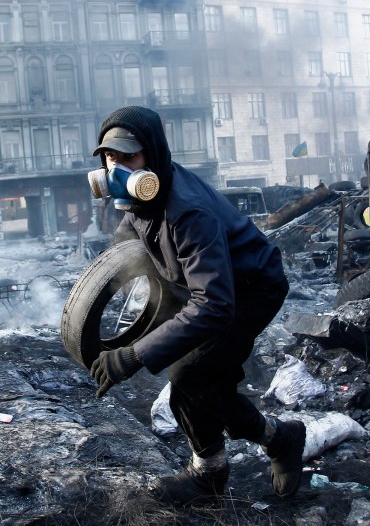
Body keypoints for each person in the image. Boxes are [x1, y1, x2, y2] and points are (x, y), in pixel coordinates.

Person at [85, 106, 306, 506]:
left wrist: (135, 353)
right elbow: (129, 248)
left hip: (250, 290)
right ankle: (276, 440)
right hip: (206, 288)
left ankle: (213, 474)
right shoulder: (140, 201)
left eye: (127, 157)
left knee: (189, 376)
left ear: (152, 154)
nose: (115, 168)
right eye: (109, 157)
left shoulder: (187, 212)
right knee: (205, 383)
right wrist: (93, 297)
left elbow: (215, 305)